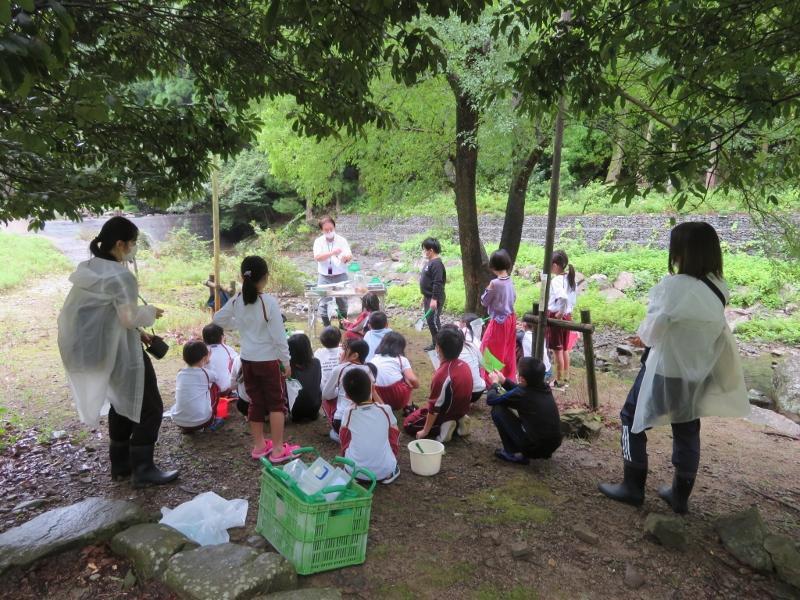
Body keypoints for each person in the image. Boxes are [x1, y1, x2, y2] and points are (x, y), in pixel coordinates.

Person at [598, 222, 749, 514]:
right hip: (696, 372)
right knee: (687, 426)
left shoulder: (673, 286)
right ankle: (680, 496)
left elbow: (651, 334)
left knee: (631, 418)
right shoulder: (719, 287)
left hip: (664, 369)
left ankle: (632, 487)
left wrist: (641, 336)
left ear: (682, 252)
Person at [57, 216, 178, 487]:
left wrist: (140, 333)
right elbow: (127, 317)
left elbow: (102, 314)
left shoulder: (89, 269)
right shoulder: (121, 275)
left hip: (95, 350)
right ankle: (144, 470)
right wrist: (149, 312)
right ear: (121, 244)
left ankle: (120, 465)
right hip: (121, 352)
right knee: (150, 406)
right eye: (133, 243)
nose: (134, 248)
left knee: (121, 400)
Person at [213, 255, 299, 463]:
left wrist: (240, 324)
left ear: (243, 276)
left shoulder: (237, 299)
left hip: (247, 360)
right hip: (268, 361)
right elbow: (279, 336)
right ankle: (278, 449)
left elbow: (218, 319)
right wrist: (286, 362)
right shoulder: (268, 302)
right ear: (265, 277)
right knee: (276, 404)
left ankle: (259, 446)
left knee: (255, 402)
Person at [487, 357, 562, 464]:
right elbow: (520, 390)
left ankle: (511, 453)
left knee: (497, 410)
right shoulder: (544, 388)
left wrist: (494, 383)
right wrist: (504, 381)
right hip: (552, 445)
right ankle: (533, 450)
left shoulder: (522, 394)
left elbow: (491, 400)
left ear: (522, 379)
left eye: (518, 373)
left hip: (533, 448)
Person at [403, 328, 473, 443]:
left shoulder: (442, 375)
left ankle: (446, 425)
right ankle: (459, 419)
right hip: (461, 409)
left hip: (445, 413)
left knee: (409, 423)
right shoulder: (464, 365)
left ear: (438, 348)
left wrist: (425, 431)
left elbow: (434, 407)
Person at [339, 369, 401, 484]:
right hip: (384, 471)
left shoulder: (349, 412)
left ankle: (350, 471)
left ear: (347, 396)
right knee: (393, 428)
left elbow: (343, 436)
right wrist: (374, 393)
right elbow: (395, 429)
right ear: (372, 388)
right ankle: (390, 472)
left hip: (354, 471)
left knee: (345, 433)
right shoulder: (385, 410)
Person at [321, 339, 377, 443]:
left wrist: (339, 392)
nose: (341, 353)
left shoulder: (339, 369)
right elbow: (372, 392)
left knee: (325, 400)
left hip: (342, 422)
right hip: (365, 420)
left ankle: (340, 435)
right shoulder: (368, 369)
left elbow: (326, 395)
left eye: (345, 350)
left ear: (355, 355)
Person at [170, 340, 225, 433]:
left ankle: (187, 427)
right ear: (205, 358)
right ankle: (213, 420)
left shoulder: (180, 373)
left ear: (183, 358)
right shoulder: (205, 373)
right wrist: (208, 362)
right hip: (203, 421)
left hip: (178, 420)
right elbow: (216, 377)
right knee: (214, 386)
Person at [480, 249, 518, 383]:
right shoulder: (510, 280)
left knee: (489, 349)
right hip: (510, 319)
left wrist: (488, 289)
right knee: (507, 349)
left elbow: (484, 301)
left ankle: (491, 380)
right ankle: (507, 378)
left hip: (499, 321)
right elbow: (514, 298)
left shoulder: (495, 283)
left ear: (493, 266)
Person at [312, 216, 352, 326]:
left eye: (331, 229)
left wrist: (346, 258)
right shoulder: (318, 241)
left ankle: (343, 326)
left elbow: (349, 255)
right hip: (324, 276)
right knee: (323, 303)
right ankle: (327, 328)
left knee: (342, 302)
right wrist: (332, 253)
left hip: (341, 275)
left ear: (334, 227)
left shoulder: (342, 240)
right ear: (322, 230)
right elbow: (317, 257)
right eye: (326, 230)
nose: (329, 231)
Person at [369, 331, 420, 412]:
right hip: (397, 398)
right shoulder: (401, 359)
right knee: (407, 378)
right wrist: (416, 386)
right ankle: (409, 406)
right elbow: (412, 379)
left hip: (378, 398)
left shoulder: (373, 360)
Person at [546, 250, 575, 388]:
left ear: (555, 265)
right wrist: (566, 311)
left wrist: (560, 313)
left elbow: (563, 297)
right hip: (568, 316)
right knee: (564, 349)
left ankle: (558, 380)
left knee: (557, 350)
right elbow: (572, 299)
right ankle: (565, 377)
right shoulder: (569, 278)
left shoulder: (556, 280)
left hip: (557, 316)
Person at [419, 237, 446, 352]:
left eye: (425, 249)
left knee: (433, 321)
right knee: (430, 321)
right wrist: (424, 296)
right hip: (428, 296)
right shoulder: (430, 262)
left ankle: (442, 346)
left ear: (431, 250)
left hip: (434, 297)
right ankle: (436, 343)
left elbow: (437, 282)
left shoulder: (436, 264)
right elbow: (427, 280)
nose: (424, 252)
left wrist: (434, 299)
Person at [287, 333, 322, 422]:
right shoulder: (316, 362)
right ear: (308, 348)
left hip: (295, 410)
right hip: (314, 408)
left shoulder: (289, 367)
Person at [455, 316, 486, 403]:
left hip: (461, 392)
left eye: (460, 322)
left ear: (464, 324)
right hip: (478, 390)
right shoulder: (477, 342)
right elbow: (485, 365)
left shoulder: (456, 338)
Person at [202, 323, 240, 394]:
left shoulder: (202, 351)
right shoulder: (227, 349)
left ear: (204, 338)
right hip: (227, 388)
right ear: (222, 337)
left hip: (209, 391)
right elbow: (238, 361)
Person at [315, 326, 342, 392]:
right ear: (339, 339)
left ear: (322, 341)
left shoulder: (318, 352)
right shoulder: (343, 351)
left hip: (323, 390)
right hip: (341, 390)